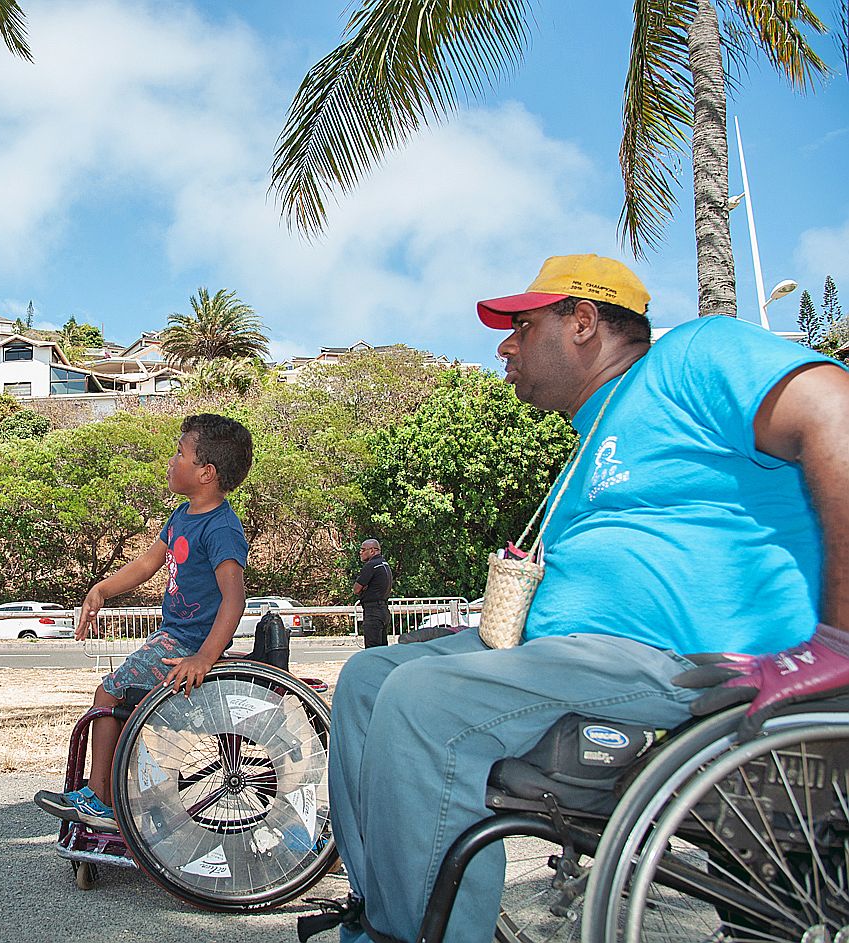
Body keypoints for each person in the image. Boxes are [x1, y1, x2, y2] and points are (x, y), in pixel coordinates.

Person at [316, 254, 849, 943]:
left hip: (682, 658)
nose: (504, 346)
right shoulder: (588, 439)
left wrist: (838, 637)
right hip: (576, 658)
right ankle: (384, 920)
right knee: (366, 677)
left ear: (583, 321)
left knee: (424, 702)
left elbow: (835, 411)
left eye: (521, 325)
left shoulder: (692, 354)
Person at [34, 413, 254, 829]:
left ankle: (101, 801)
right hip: (175, 637)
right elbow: (146, 564)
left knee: (108, 694)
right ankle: (115, 790)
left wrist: (205, 657)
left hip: (187, 644)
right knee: (120, 701)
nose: (171, 460)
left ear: (206, 472)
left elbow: (234, 597)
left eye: (180, 453)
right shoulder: (182, 516)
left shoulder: (222, 527)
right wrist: (101, 589)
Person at [353, 539, 393, 648]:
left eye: (363, 550)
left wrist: (364, 588)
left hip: (373, 611)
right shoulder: (384, 564)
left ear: (372, 551)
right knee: (382, 649)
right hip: (384, 610)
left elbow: (356, 589)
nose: (360, 552)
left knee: (372, 650)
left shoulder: (371, 566)